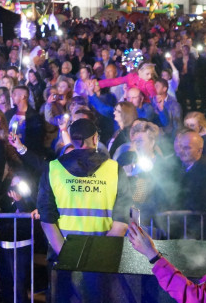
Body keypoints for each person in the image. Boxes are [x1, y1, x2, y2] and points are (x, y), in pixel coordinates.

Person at [37, 118, 131, 302]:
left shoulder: (53, 169)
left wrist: (65, 254)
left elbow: (47, 219)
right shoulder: (114, 169)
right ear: (95, 138)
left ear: (71, 140)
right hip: (102, 256)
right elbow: (121, 222)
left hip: (63, 255)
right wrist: (98, 255)